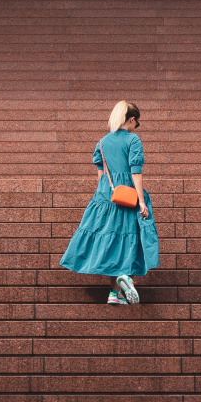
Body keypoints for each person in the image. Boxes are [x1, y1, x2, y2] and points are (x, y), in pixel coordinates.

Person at [59, 99, 159, 304]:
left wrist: (102, 196)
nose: (135, 126)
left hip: (106, 197)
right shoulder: (133, 140)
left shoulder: (102, 142)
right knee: (129, 237)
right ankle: (126, 278)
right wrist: (141, 201)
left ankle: (115, 293)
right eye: (136, 122)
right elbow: (136, 172)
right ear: (131, 119)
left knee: (111, 240)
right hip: (128, 195)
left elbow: (101, 173)